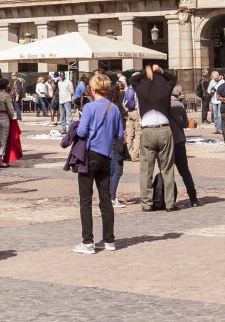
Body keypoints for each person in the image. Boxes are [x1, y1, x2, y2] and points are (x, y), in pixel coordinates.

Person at [69, 71, 125, 254]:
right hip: (106, 156)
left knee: (85, 200)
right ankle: (109, 240)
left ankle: (88, 242)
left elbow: (83, 132)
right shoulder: (114, 108)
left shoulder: (90, 108)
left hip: (89, 154)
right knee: (105, 200)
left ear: (93, 89)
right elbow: (119, 135)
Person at [132, 60, 177, 210]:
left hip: (147, 130)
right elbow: (173, 78)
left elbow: (133, 79)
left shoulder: (141, 88)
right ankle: (170, 203)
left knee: (146, 169)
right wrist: (160, 71)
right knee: (167, 168)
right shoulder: (165, 86)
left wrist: (146, 72)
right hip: (164, 129)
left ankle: (146, 203)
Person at [166, 83, 200, 208]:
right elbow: (185, 124)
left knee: (167, 172)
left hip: (166, 141)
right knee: (185, 171)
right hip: (179, 140)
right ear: (179, 94)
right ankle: (193, 198)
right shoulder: (179, 105)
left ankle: (168, 199)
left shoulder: (161, 104)